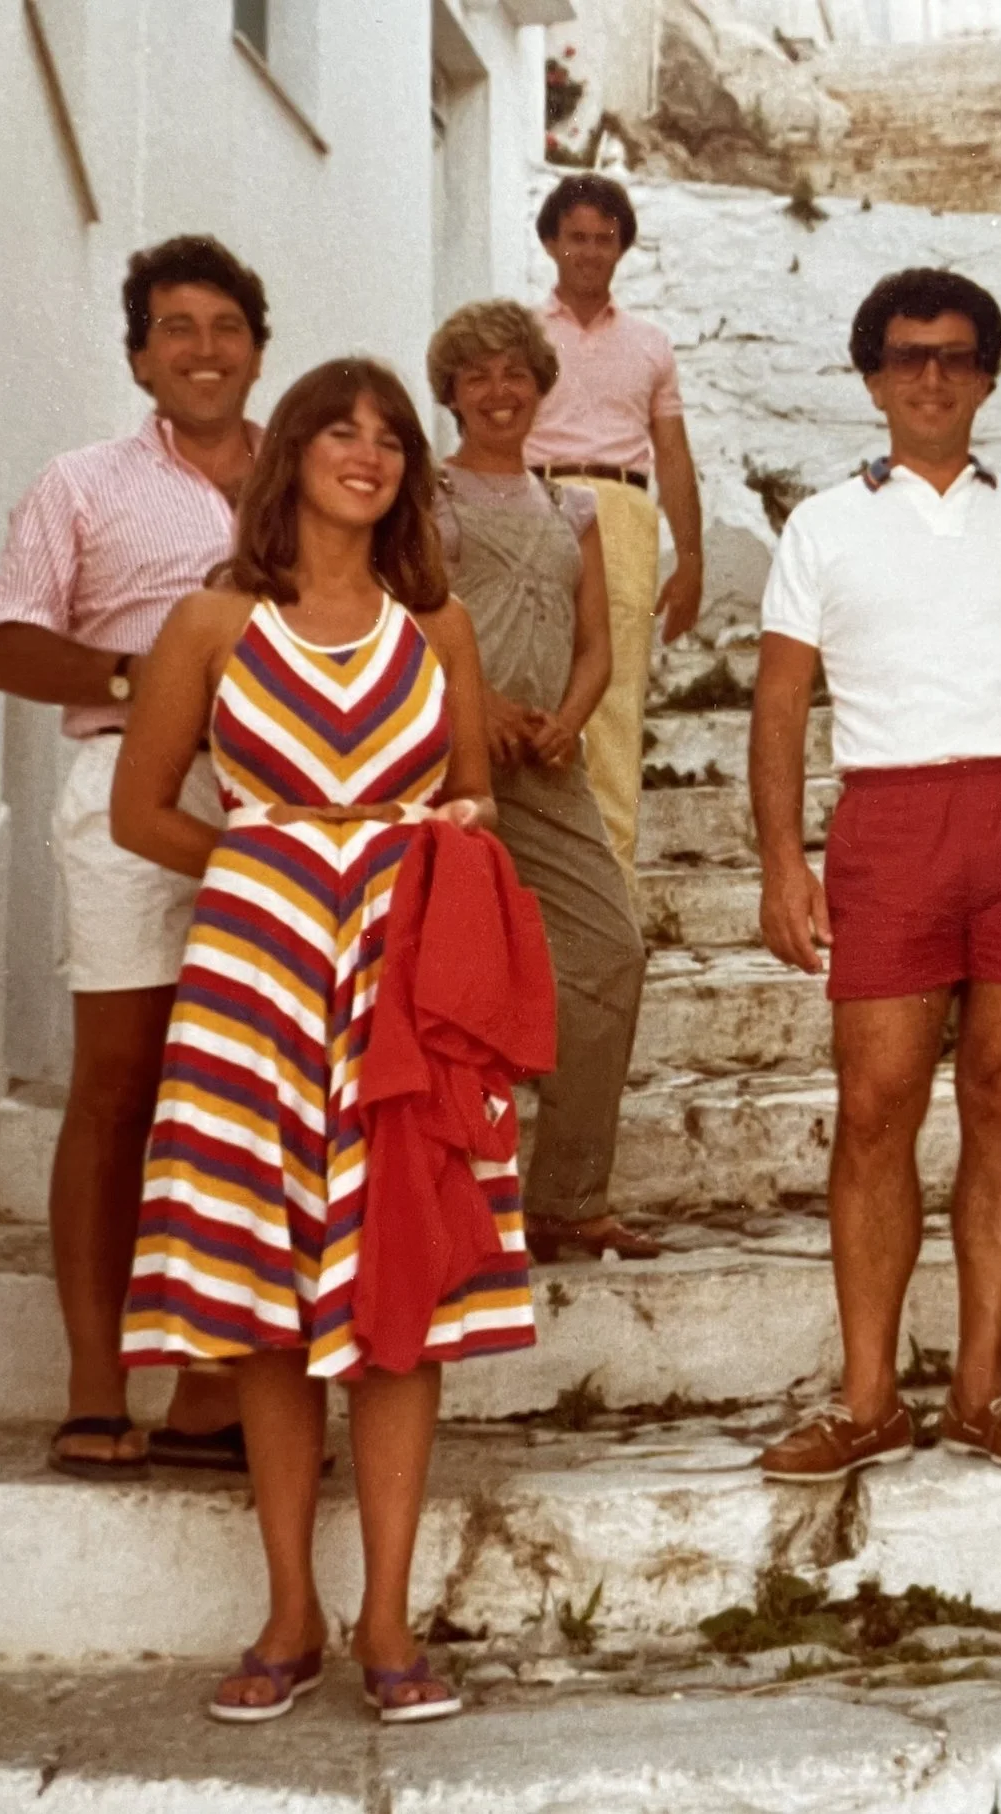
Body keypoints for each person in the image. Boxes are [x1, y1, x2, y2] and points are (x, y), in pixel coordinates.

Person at [112, 359, 542, 1725]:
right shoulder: (213, 624)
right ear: (289, 451)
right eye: (339, 431)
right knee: (265, 1296)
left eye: (390, 439)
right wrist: (271, 864)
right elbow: (141, 811)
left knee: (399, 1293)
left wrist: (413, 859)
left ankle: (387, 1615)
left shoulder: (443, 627)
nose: (366, 453)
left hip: (404, 993)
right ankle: (290, 1604)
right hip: (257, 985)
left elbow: (474, 794)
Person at [749, 269, 1001, 1483]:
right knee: (875, 1102)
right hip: (891, 816)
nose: (931, 375)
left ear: (986, 375)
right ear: (871, 376)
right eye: (906, 355)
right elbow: (779, 705)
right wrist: (782, 856)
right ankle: (869, 1397)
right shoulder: (822, 525)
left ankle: (981, 1389)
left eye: (956, 355)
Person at [0, 235, 269, 1480]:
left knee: (252, 1090)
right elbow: (3, 646)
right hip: (129, 793)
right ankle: (98, 1379)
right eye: (174, 327)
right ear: (139, 352)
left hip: (281, 799)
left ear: (258, 342)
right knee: (120, 1082)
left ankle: (210, 1382)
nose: (202, 348)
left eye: (224, 325)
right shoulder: (80, 483)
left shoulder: (308, 475)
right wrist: (141, 674)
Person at [426, 300, 659, 1263]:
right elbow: (409, 621)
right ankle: (439, 1206)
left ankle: (568, 1194)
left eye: (514, 373)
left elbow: (599, 644)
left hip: (548, 768)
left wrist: (567, 716)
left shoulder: (574, 508)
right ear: (450, 392)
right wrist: (475, 707)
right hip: (446, 770)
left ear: (539, 385)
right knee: (444, 987)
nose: (498, 391)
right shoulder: (424, 501)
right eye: (476, 375)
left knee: (611, 951)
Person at [524, 173, 705, 894]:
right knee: (535, 676)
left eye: (605, 239)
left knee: (616, 693)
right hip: (537, 499)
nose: (591, 253)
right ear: (551, 243)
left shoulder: (651, 344)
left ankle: (615, 890)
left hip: (624, 510)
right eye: (577, 238)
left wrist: (690, 559)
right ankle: (539, 884)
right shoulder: (521, 335)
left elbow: (673, 454)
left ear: (622, 248)